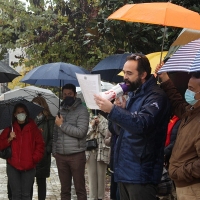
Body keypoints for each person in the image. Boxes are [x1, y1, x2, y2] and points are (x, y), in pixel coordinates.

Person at [94, 53, 170, 200]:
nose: (125, 77)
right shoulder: (133, 95)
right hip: (124, 170)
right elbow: (118, 130)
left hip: (142, 173)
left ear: (143, 75)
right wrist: (117, 111)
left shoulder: (156, 97)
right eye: (124, 72)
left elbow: (142, 125)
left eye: (129, 73)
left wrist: (114, 111)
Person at [156, 67, 200, 199]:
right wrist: (165, 78)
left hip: (193, 188)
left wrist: (179, 171)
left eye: (192, 89)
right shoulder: (190, 112)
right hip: (184, 186)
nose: (188, 92)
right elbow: (176, 102)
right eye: (188, 88)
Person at [0, 103, 44, 200]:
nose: (21, 114)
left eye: (23, 112)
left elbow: (40, 145)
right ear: (15, 114)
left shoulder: (33, 128)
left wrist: (34, 159)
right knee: (16, 195)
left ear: (26, 113)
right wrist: (9, 139)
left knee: (26, 195)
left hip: (29, 167)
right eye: (18, 112)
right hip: (13, 167)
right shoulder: (10, 128)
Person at [53, 83, 89, 200]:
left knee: (80, 189)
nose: (67, 96)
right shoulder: (60, 110)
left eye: (70, 94)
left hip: (76, 155)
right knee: (64, 190)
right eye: (64, 94)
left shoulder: (82, 110)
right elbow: (55, 133)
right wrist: (55, 152)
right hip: (61, 156)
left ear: (75, 95)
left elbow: (81, 132)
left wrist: (62, 125)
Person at [31, 96, 55, 200]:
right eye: (33, 105)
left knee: (41, 182)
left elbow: (53, 137)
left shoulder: (49, 119)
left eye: (37, 105)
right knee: (28, 182)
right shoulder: (30, 119)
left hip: (43, 155)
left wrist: (47, 150)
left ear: (42, 105)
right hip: (30, 155)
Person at [86, 111, 110, 200]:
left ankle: (100, 197)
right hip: (90, 150)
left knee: (101, 177)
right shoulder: (88, 117)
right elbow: (84, 134)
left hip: (102, 151)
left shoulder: (106, 118)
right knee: (91, 177)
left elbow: (107, 134)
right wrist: (92, 125)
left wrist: (99, 124)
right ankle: (92, 197)